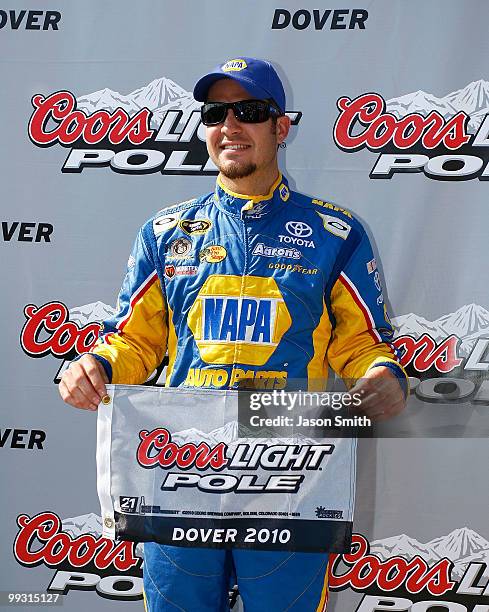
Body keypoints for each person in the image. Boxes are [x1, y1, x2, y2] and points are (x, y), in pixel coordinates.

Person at [59, 56, 407, 611]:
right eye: (216, 112)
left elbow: (361, 344)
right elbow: (135, 341)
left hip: (289, 474)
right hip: (181, 470)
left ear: (281, 126)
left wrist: (384, 375)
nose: (230, 125)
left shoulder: (335, 233)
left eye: (249, 110)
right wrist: (94, 366)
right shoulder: (165, 231)